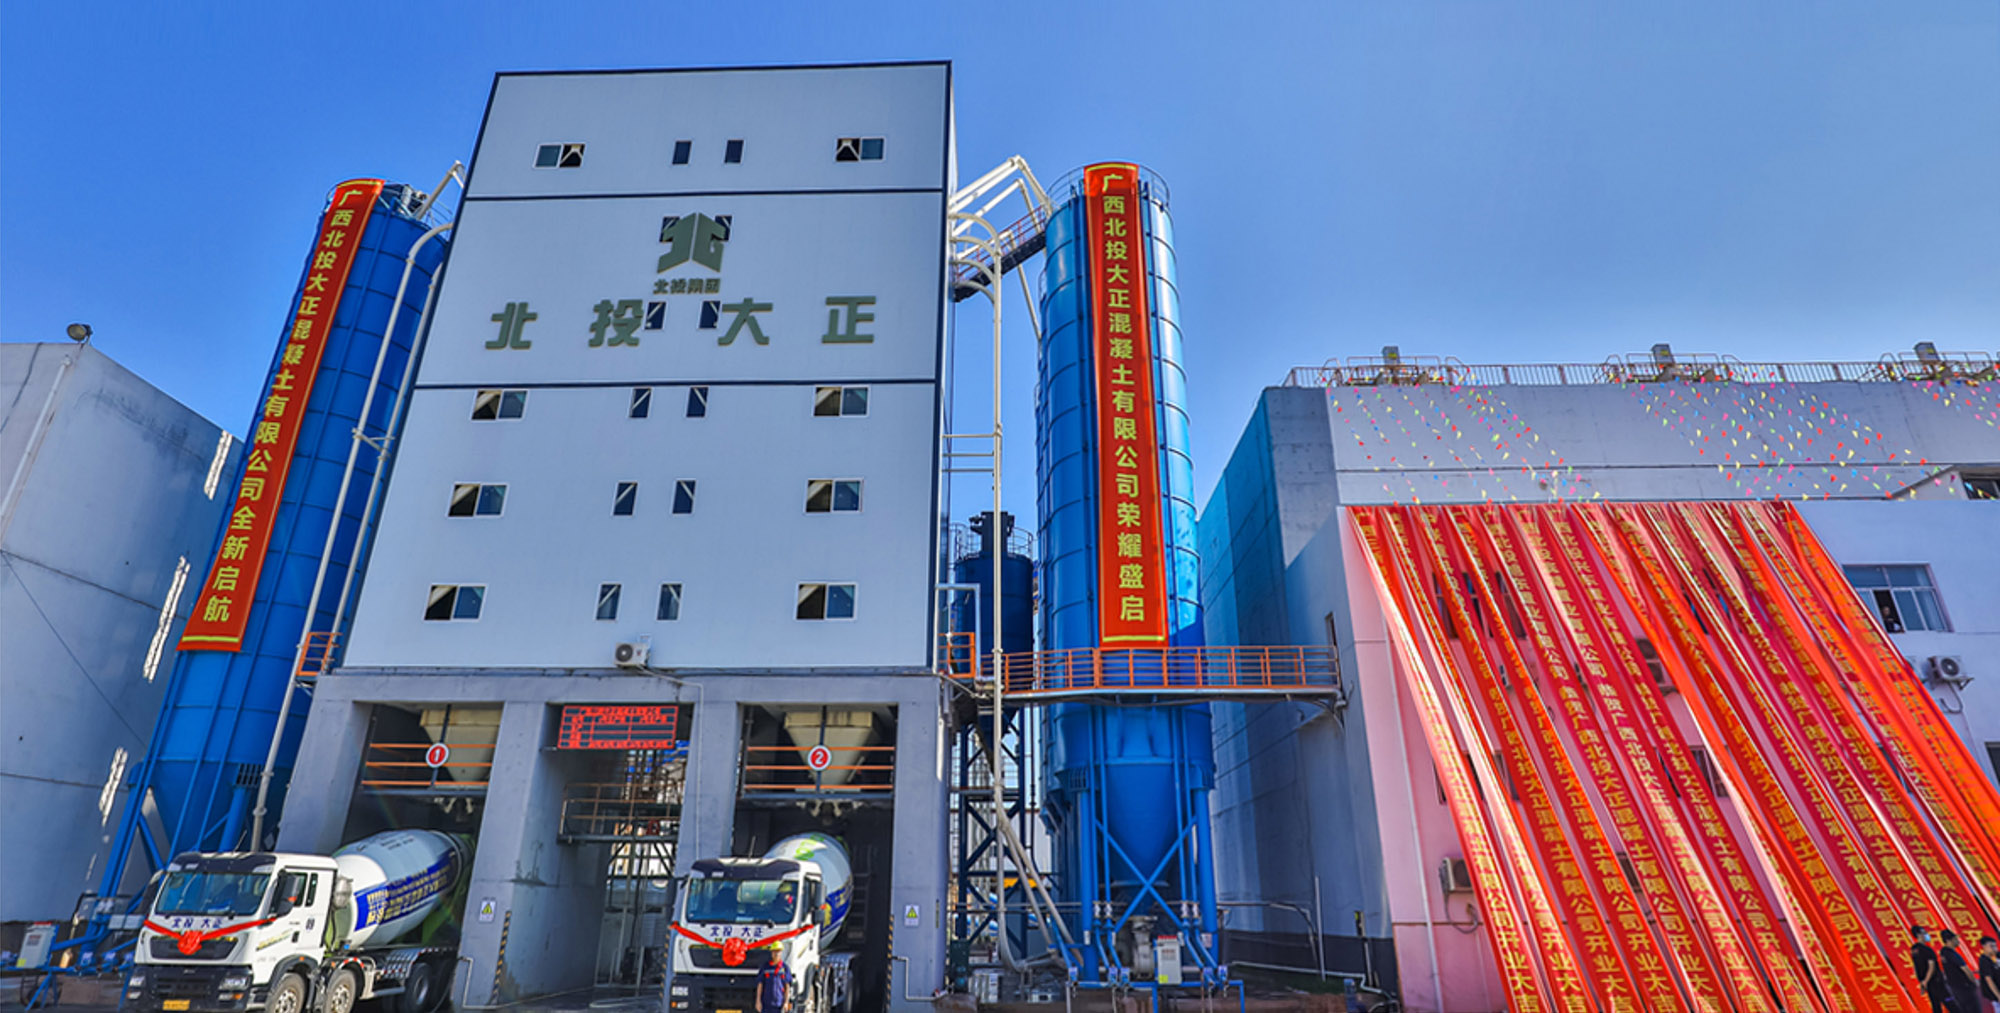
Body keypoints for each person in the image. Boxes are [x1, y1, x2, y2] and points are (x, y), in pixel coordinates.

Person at [1914, 925, 1963, 1013]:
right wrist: (1925, 981)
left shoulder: (1914, 949)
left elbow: (1916, 967)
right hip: (1936, 981)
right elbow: (1931, 966)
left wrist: (1923, 982)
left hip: (1928, 983)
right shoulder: (1927, 950)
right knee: (1950, 1003)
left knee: (1936, 1006)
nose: (1926, 935)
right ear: (1918, 935)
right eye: (1924, 933)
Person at [1946, 930, 1983, 1013]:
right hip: (1965, 989)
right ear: (1948, 940)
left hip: (1956, 990)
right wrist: (1974, 982)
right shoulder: (1952, 954)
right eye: (1955, 939)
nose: (1957, 941)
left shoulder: (1944, 953)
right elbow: (1966, 970)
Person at [1978, 935, 1999, 1013]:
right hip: (1994, 994)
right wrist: (1998, 996)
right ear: (1984, 947)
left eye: (1995, 946)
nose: (1994, 948)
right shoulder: (1984, 961)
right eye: (1991, 946)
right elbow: (1989, 980)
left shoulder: (1996, 956)